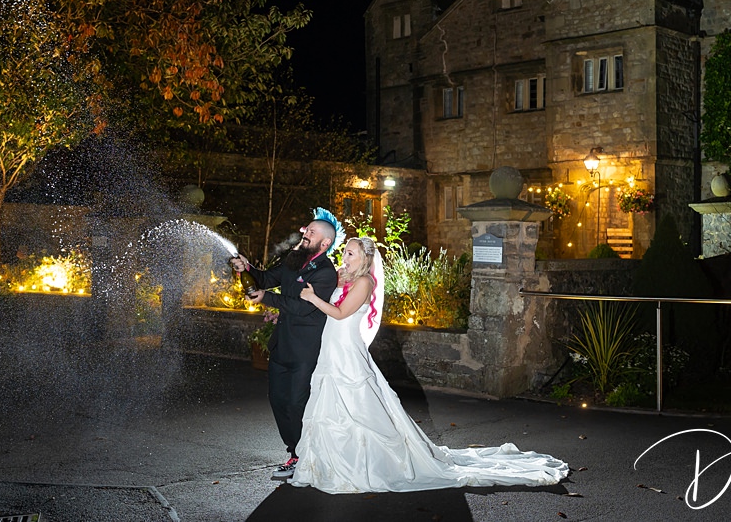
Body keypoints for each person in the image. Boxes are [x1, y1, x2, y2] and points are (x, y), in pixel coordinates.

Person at [292, 236, 569, 493]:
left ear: (364, 258)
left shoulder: (364, 282)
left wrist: (313, 298)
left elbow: (340, 313)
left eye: (350, 253)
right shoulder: (347, 278)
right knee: (330, 405)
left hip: (346, 352)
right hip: (332, 349)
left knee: (356, 406)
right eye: (345, 252)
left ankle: (362, 465)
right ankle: (331, 463)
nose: (345, 257)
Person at [230, 207, 342, 480]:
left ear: (325, 243)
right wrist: (247, 268)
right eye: (307, 229)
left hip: (305, 350)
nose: (306, 233)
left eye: (312, 231)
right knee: (278, 400)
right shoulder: (294, 260)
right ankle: (294, 452)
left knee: (296, 403)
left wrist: (266, 298)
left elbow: (303, 307)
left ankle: (302, 457)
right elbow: (267, 278)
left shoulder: (325, 272)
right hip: (282, 344)